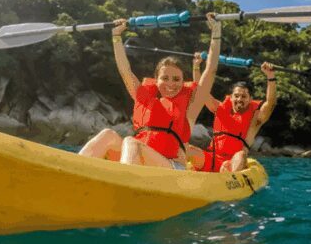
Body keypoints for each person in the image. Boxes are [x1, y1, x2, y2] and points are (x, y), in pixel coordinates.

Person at [79, 13, 221, 168]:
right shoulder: (145, 98)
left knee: (131, 142)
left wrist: (216, 32)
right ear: (157, 79)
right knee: (108, 135)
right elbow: (125, 71)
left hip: (170, 166)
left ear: (183, 81)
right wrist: (116, 35)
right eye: (165, 78)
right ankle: (73, 170)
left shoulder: (190, 107)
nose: (170, 84)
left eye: (176, 79)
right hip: (138, 160)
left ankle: (124, 183)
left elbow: (210, 70)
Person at [189, 55, 277, 172]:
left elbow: (271, 103)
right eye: (236, 96)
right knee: (188, 149)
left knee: (240, 155)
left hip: (233, 161)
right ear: (230, 98)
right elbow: (201, 90)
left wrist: (270, 77)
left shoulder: (255, 119)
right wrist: (196, 66)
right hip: (211, 158)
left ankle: (228, 177)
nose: (239, 99)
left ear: (251, 99)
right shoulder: (219, 108)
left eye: (244, 96)